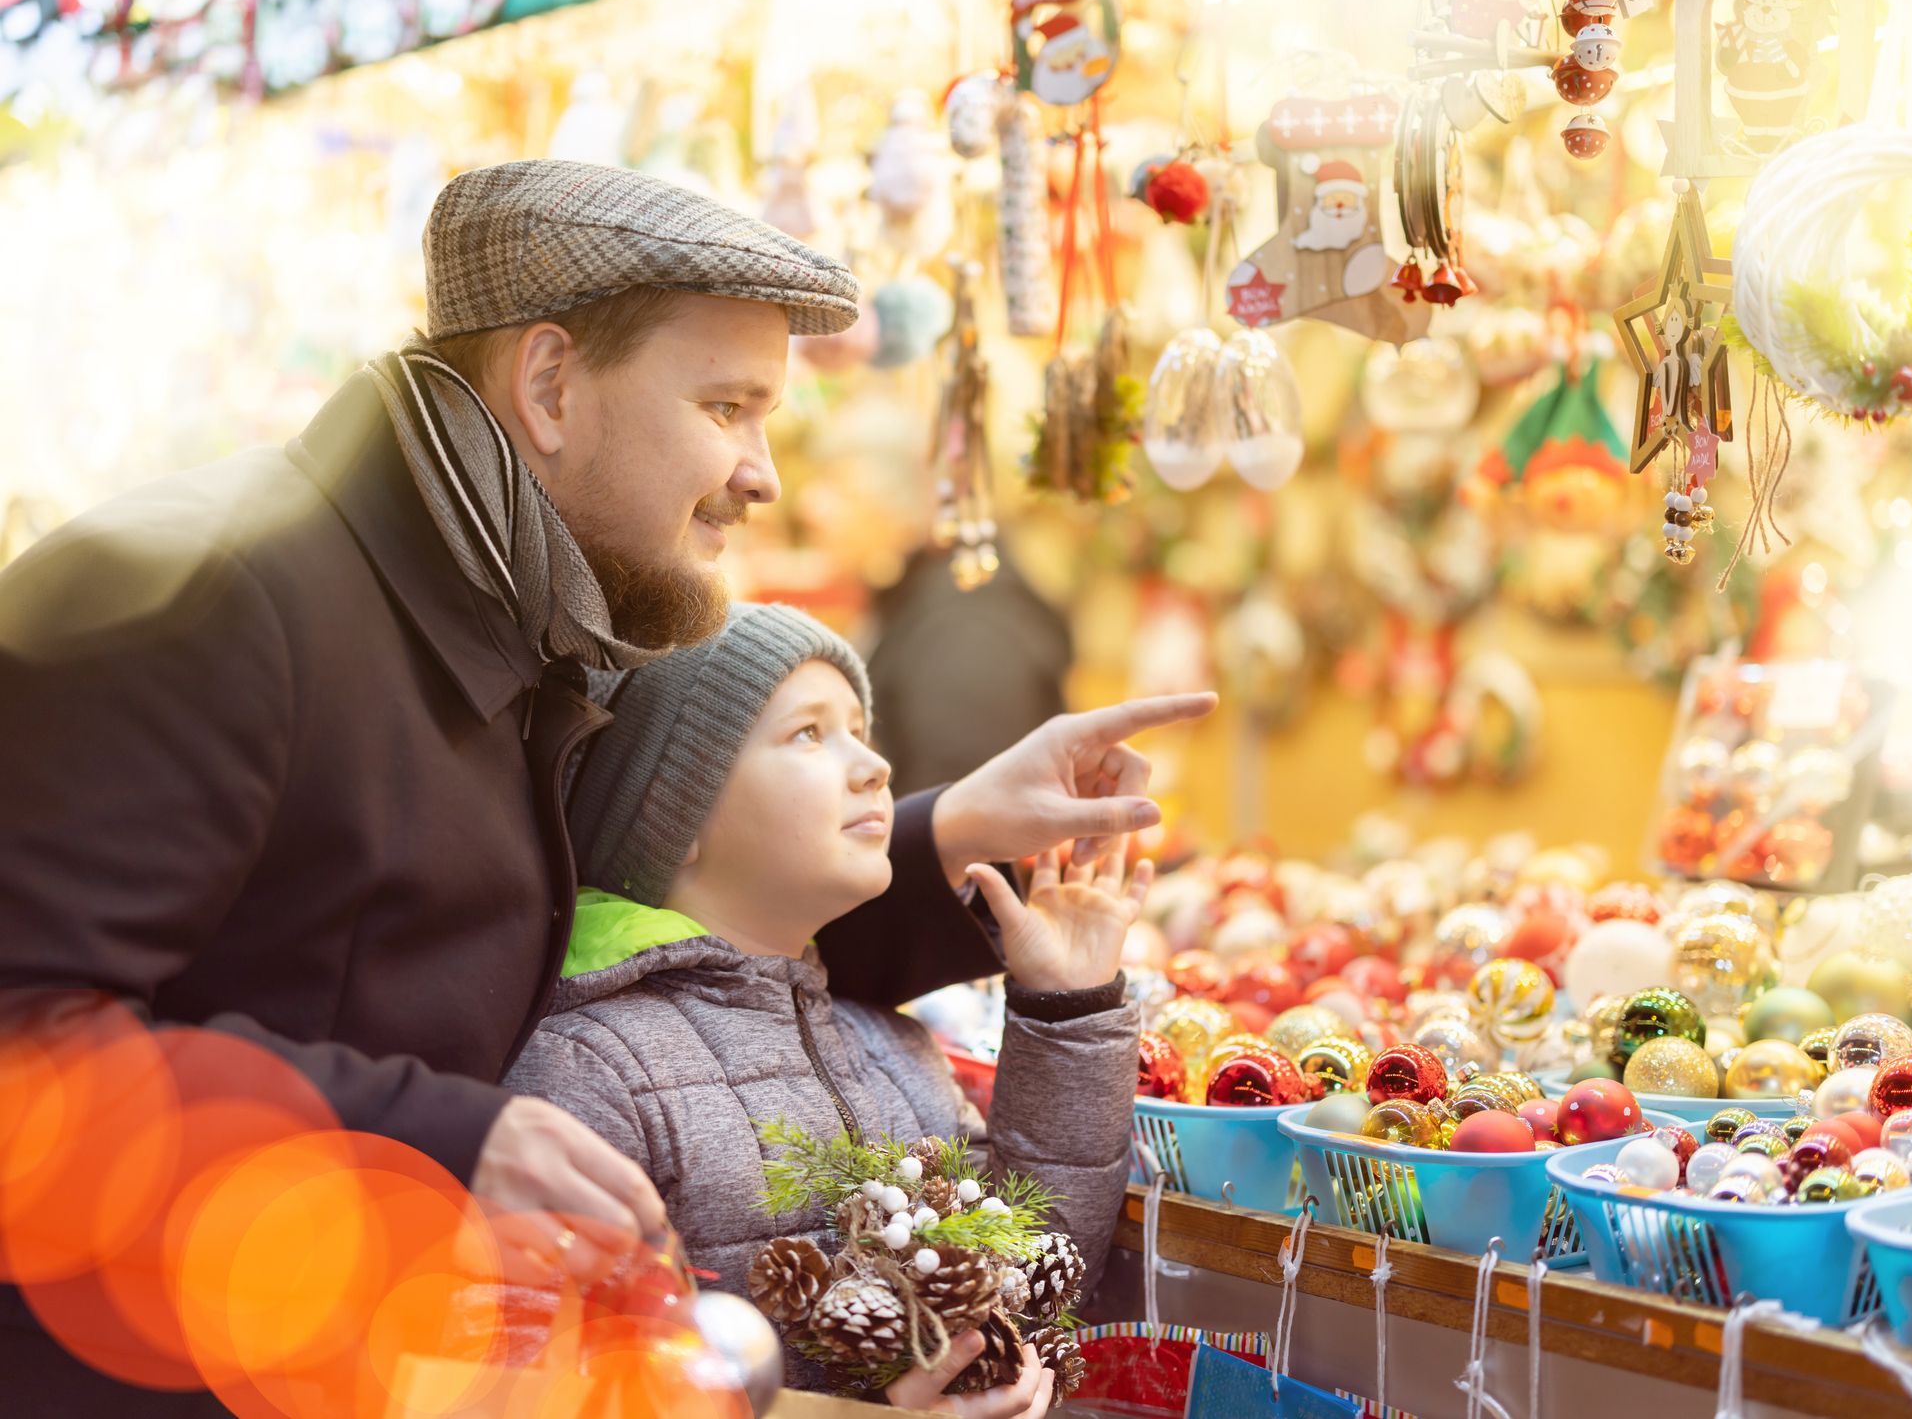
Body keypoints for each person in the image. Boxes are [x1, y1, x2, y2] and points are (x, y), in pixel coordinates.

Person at [0, 158, 1214, 1412]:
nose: (764, 472)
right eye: (728, 406)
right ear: (549, 384)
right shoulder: (210, 595)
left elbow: (623, 916)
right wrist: (442, 1139)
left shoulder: (511, 612)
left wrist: (952, 835)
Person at [507, 603, 1143, 1417]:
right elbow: (549, 1385)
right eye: (809, 733)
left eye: (858, 728)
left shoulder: (892, 1045)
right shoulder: (588, 1070)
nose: (874, 764)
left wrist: (1067, 1004)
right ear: (675, 812)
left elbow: (1031, 1272)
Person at [867, 539, 1074, 796]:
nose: (816, 514)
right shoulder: (937, 595)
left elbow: (959, 780)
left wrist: (913, 832)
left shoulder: (967, 623)